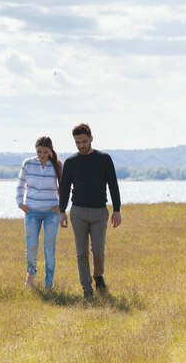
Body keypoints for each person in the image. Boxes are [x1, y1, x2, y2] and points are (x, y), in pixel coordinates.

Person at [59, 123, 122, 299]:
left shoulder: (104, 159)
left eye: (84, 141)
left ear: (91, 139)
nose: (81, 145)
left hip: (99, 213)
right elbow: (64, 189)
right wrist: (62, 211)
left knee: (98, 251)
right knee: (81, 252)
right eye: (77, 142)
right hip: (77, 212)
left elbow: (113, 185)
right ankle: (87, 288)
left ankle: (98, 276)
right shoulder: (71, 162)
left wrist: (117, 210)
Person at [16, 136, 63, 290]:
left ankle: (49, 284)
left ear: (50, 150)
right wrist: (20, 203)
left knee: (49, 248)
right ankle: (30, 277)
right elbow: (20, 184)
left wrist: (61, 206)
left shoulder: (57, 165)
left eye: (45, 151)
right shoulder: (28, 163)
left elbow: (66, 187)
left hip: (52, 213)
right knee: (31, 247)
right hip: (32, 212)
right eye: (39, 151)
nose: (42, 154)